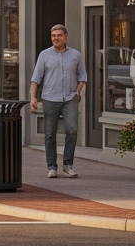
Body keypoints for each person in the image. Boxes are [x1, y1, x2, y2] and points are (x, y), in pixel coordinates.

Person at [30, 23, 87, 179]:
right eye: (53, 35)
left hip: (70, 98)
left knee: (72, 130)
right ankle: (52, 167)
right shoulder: (44, 55)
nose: (56, 38)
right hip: (50, 98)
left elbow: (82, 76)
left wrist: (78, 89)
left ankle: (68, 165)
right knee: (50, 134)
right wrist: (33, 97)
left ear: (65, 37)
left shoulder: (75, 55)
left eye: (59, 35)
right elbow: (36, 78)